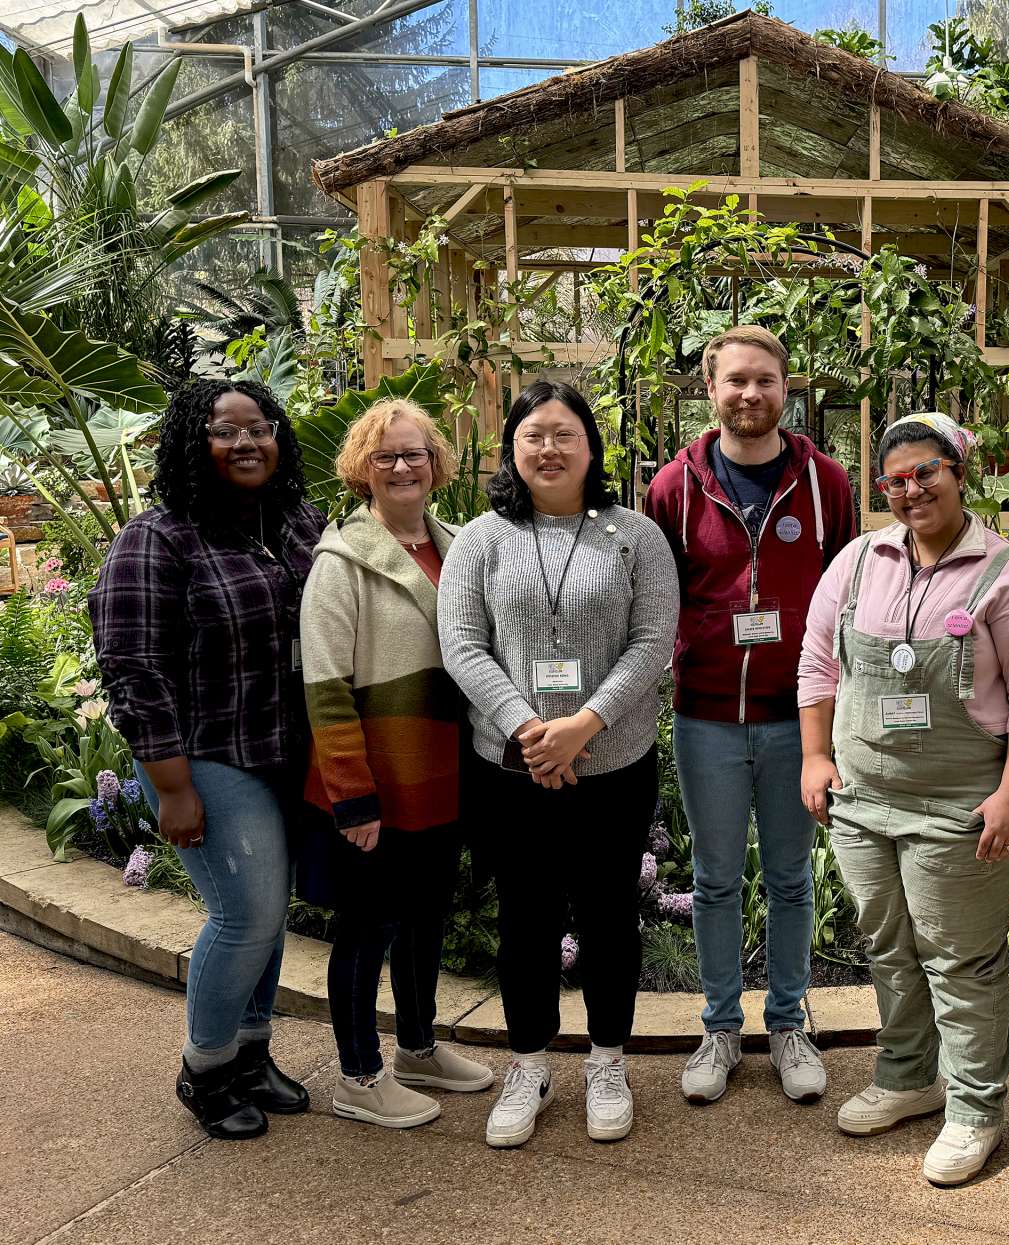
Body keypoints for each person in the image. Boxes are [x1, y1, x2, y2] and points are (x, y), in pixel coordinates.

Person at [797, 412, 1009, 1187]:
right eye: (897, 479)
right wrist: (816, 756)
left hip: (963, 801)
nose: (912, 490)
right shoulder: (857, 561)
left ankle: (976, 1107)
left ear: (960, 471)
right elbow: (818, 663)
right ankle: (909, 1074)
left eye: (928, 472)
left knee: (961, 958)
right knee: (887, 942)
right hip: (864, 796)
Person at [439, 380, 678, 1148]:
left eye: (564, 434)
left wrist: (584, 725)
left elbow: (652, 641)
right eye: (533, 434)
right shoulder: (481, 539)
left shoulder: (633, 535)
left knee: (610, 917)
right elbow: (462, 644)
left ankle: (609, 1059)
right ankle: (530, 1061)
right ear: (512, 445)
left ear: (590, 447)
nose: (549, 448)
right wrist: (528, 730)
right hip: (510, 771)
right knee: (527, 920)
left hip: (613, 764)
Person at [89, 378, 324, 1140]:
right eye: (226, 431)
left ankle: (252, 1053)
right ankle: (206, 1066)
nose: (247, 442)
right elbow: (132, 665)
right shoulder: (157, 537)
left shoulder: (294, 524)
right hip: (209, 755)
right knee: (245, 913)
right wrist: (172, 786)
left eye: (259, 427)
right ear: (195, 443)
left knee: (271, 914)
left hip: (288, 749)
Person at [642, 325, 855, 1107]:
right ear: (711, 389)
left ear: (786, 387)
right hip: (707, 715)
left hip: (801, 720)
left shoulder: (827, 482)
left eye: (764, 380)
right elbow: (657, 598)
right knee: (715, 879)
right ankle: (722, 1028)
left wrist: (835, 721)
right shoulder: (674, 486)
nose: (750, 394)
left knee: (794, 878)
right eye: (735, 381)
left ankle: (790, 1023)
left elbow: (847, 596)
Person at [299, 398, 494, 1129]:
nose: (403, 466)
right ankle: (357, 1073)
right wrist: (352, 798)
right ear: (363, 470)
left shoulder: (455, 544)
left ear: (435, 462)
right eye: (386, 457)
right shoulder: (342, 560)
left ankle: (416, 1044)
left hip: (443, 775)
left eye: (414, 453)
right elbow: (324, 686)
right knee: (369, 926)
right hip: (377, 782)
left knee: (424, 920)